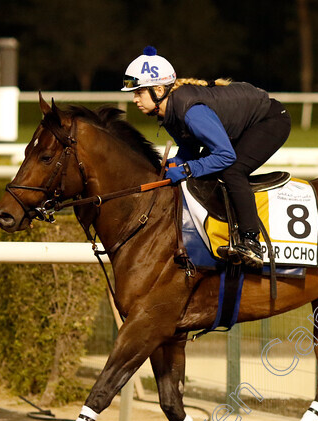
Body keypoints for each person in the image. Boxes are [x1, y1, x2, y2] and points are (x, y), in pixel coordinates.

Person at [121, 46, 291, 268]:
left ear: (159, 90)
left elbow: (225, 155)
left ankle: (251, 242)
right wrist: (174, 164)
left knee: (231, 170)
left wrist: (186, 169)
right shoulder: (169, 112)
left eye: (139, 92)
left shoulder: (191, 112)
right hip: (244, 124)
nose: (135, 99)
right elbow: (189, 151)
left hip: (270, 120)